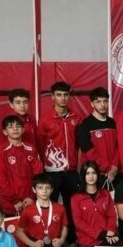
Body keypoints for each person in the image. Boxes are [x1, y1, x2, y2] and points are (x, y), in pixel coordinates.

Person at [13, 174, 68, 247]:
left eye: (47, 188)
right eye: (40, 188)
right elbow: (19, 231)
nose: (44, 191)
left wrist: (62, 240)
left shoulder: (60, 208)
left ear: (52, 190)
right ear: (34, 189)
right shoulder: (28, 211)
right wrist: (32, 244)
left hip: (55, 246)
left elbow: (64, 226)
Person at [71, 161, 120, 247]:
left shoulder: (105, 194)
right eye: (87, 173)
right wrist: (100, 234)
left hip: (106, 238)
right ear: (83, 176)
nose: (91, 176)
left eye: (93, 173)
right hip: (87, 242)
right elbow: (78, 223)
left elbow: (111, 216)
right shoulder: (76, 198)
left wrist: (110, 232)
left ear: (98, 175)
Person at [38, 82, 81, 217]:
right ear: (52, 97)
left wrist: (78, 167)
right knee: (51, 207)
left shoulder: (77, 117)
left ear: (69, 96)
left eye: (65, 95)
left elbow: (80, 145)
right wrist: (44, 168)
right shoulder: (45, 119)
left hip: (71, 170)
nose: (62, 98)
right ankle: (51, 230)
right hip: (52, 171)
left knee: (73, 207)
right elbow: (40, 145)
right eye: (59, 95)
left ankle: (72, 231)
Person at [0, 115, 42, 216]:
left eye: (18, 126)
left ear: (23, 130)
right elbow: (1, 180)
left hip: (30, 200)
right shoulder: (1, 152)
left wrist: (32, 196)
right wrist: (14, 200)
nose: (15, 129)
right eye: (11, 127)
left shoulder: (31, 148)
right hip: (11, 204)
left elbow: (38, 174)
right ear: (5, 132)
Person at [76, 86, 119, 183]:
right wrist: (108, 167)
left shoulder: (112, 123)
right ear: (92, 104)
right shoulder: (85, 125)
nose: (102, 105)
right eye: (98, 102)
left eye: (105, 101)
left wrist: (115, 166)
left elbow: (118, 146)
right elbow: (88, 151)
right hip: (94, 174)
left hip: (113, 173)